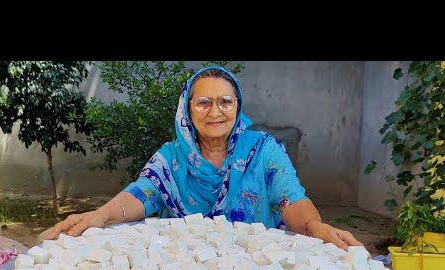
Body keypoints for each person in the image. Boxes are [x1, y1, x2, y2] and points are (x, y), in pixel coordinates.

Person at [47, 65, 363, 250]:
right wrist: (100, 216)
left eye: (225, 101)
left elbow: (291, 199)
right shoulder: (171, 158)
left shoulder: (262, 150)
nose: (215, 112)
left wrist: (313, 227)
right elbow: (142, 193)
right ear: (188, 109)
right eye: (203, 103)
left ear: (238, 107)